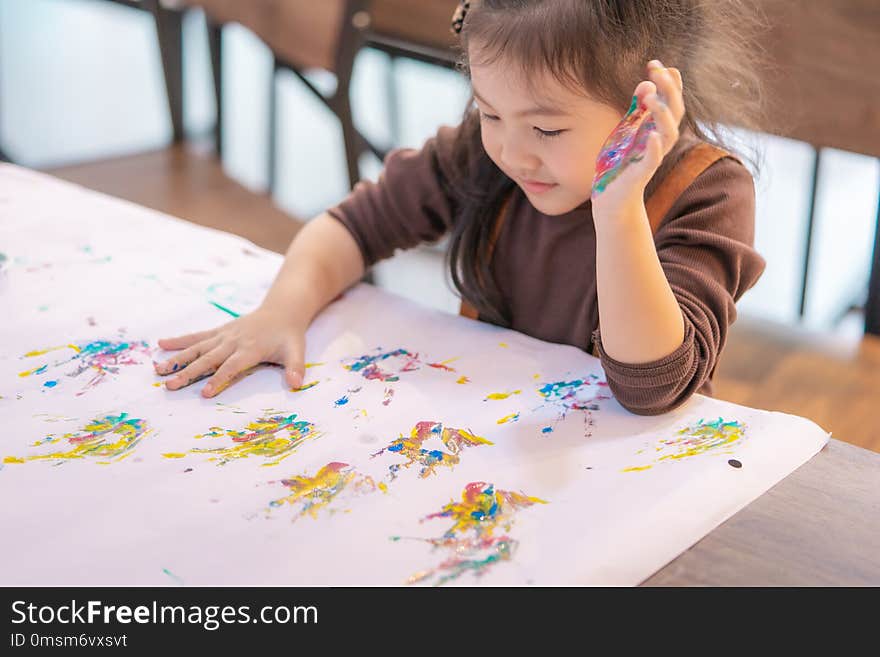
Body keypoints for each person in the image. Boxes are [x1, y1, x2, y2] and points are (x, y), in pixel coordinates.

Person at [155, 0, 767, 415]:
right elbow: (352, 226)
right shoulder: (483, 153)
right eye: (491, 112)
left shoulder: (708, 194)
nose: (511, 152)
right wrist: (280, 311)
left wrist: (619, 208)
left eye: (547, 131)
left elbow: (649, 389)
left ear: (647, 107)